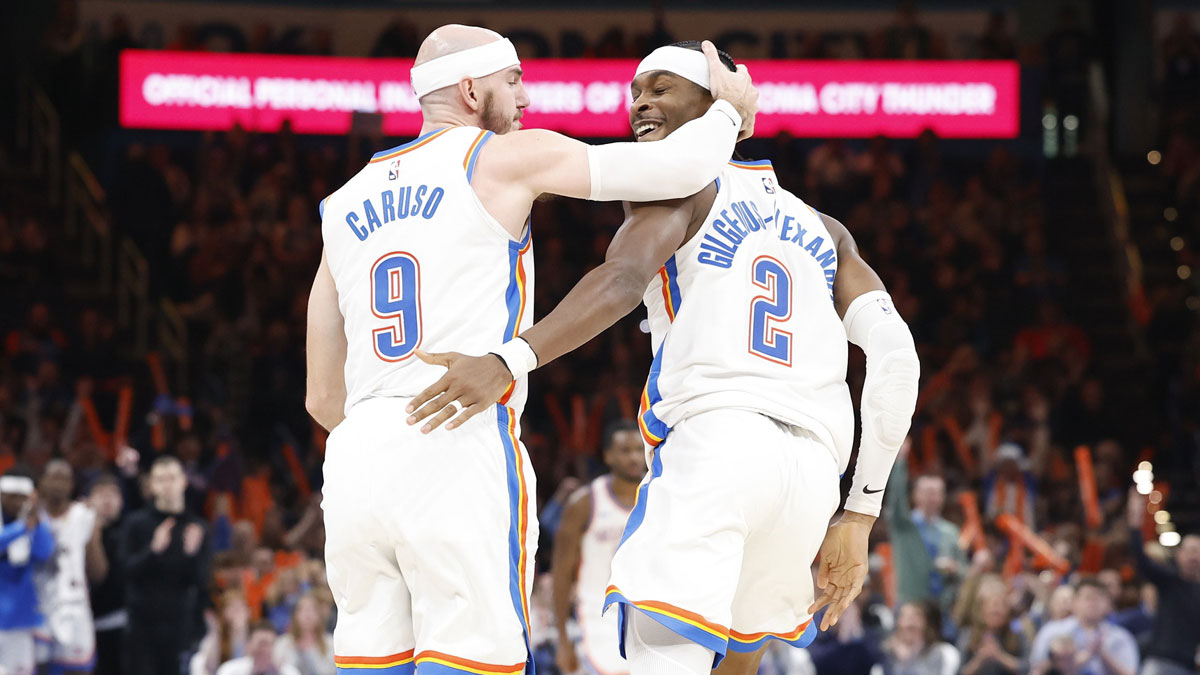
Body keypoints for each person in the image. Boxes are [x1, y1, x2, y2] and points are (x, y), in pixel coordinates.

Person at [406, 42, 920, 675]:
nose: (640, 104)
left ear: (711, 104)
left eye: (660, 88)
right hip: (812, 472)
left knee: (661, 656)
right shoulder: (827, 229)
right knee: (739, 654)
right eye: (635, 94)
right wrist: (862, 510)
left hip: (719, 441)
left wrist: (511, 359)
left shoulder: (683, 189)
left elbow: (621, 280)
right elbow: (898, 360)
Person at [304, 23, 757, 675]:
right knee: (470, 659)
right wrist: (729, 109)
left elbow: (322, 395)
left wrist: (387, 434)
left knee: (373, 661)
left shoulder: (341, 205)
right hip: (456, 437)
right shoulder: (495, 157)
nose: (524, 98)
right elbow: (679, 167)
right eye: (512, 80)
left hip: (357, 462)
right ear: (469, 89)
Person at [552, 420, 645, 675]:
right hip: (598, 617)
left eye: (639, 449)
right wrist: (562, 639)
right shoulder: (584, 503)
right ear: (608, 455)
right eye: (625, 450)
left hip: (648, 614)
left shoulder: (658, 496)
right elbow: (561, 574)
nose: (635, 457)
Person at [121, 454, 211, 675]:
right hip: (142, 625)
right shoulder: (136, 523)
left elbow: (202, 582)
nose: (167, 485)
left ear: (183, 481)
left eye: (172, 477)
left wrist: (192, 555)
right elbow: (124, 572)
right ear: (152, 485)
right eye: (161, 479)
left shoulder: (197, 527)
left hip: (181, 625)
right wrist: (152, 551)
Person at [33, 459, 101, 674]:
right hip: (36, 604)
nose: (58, 484)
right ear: (42, 482)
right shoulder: (30, 514)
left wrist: (94, 533)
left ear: (72, 485)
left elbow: (98, 571)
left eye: (64, 479)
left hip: (73, 604)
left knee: (76, 669)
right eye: (53, 477)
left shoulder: (84, 516)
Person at [1126, 489, 1200, 675]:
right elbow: (1141, 560)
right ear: (1179, 555)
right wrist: (1135, 525)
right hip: (1160, 663)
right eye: (1189, 550)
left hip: (1190, 666)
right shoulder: (1169, 581)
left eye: (1198, 551)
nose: (1194, 556)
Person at [0, 469, 54, 675]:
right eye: (12, 497)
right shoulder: (20, 526)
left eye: (22, 498)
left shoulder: (34, 521)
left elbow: (44, 553)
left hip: (18, 617)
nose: (17, 503)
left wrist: (36, 525)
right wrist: (21, 528)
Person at [1029, 578, 1138, 675]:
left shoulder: (1120, 637)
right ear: (1075, 602)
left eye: (1099, 598)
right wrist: (1067, 658)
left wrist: (1102, 654)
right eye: (1088, 597)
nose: (1093, 603)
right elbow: (1036, 669)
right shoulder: (1053, 630)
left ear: (1108, 604)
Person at [85, 474, 126, 675]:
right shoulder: (73, 530)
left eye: (113, 494)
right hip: (81, 626)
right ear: (88, 500)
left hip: (120, 630)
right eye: (101, 494)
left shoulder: (128, 533)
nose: (107, 499)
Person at [872, 602, 959, 675]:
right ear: (898, 623)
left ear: (926, 623)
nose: (911, 622)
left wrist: (907, 661)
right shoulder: (887, 652)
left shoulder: (941, 652)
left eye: (916, 616)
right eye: (905, 617)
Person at [273, 593, 335, 675]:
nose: (307, 614)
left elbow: (331, 671)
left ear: (320, 616)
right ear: (295, 616)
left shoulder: (330, 643)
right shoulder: (283, 643)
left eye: (312, 610)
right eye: (302, 610)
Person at [215, 622, 300, 675]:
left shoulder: (289, 672)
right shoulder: (230, 670)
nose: (266, 649)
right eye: (261, 643)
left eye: (270, 644)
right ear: (249, 645)